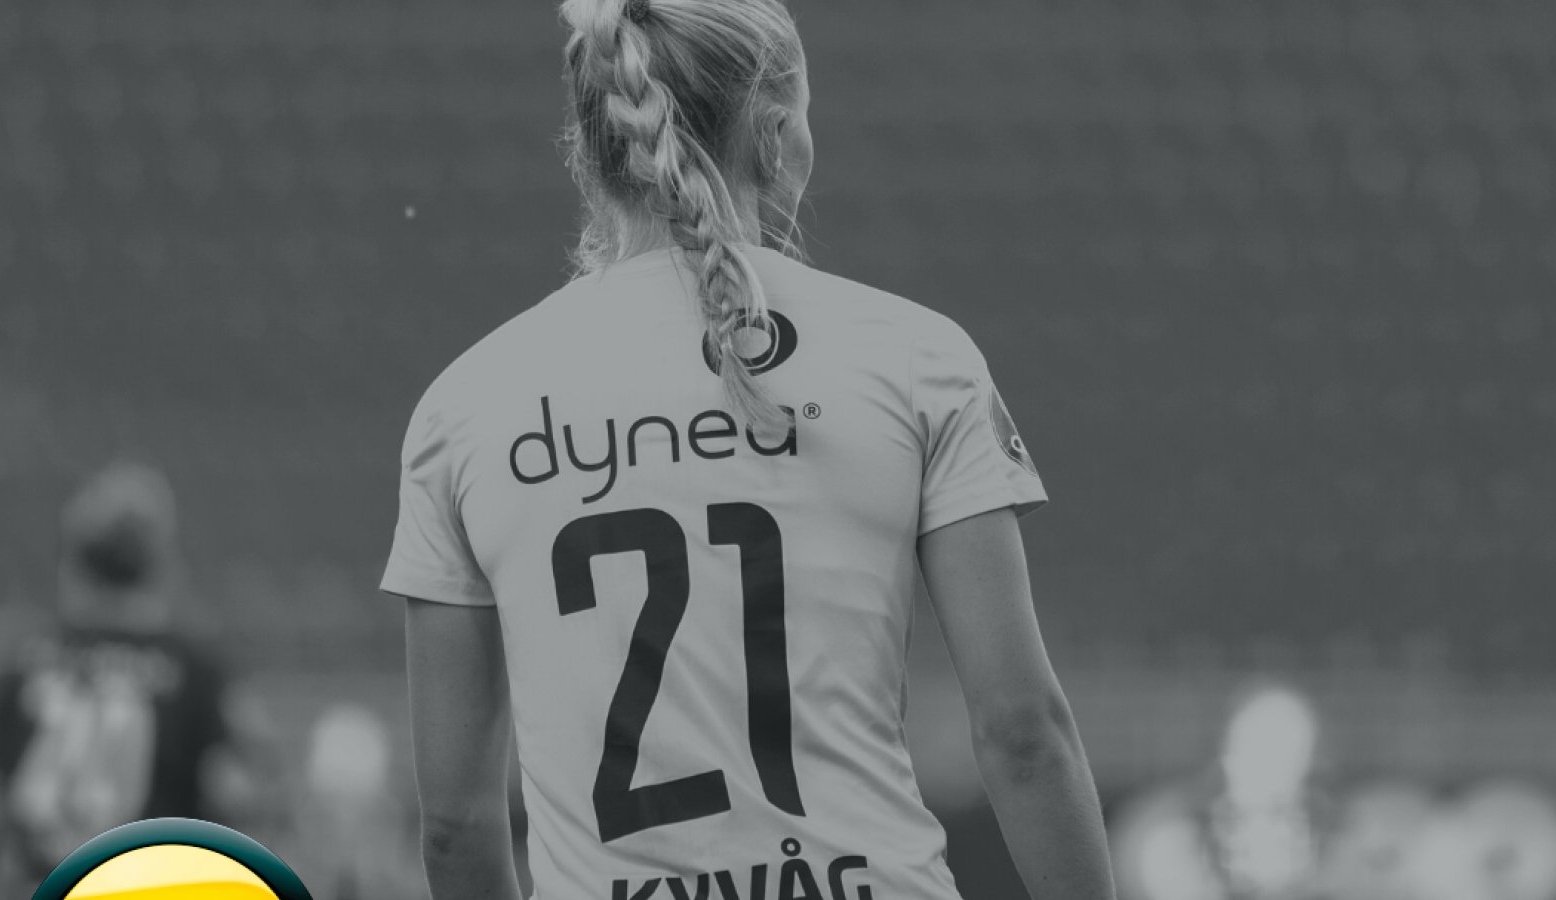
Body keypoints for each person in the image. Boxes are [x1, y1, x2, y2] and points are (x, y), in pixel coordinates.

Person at [382, 1, 1117, 898]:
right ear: (774, 136)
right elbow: (1022, 732)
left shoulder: (463, 407)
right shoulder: (916, 358)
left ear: (594, 146)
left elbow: (456, 826)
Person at [0, 462, 273, 894]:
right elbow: (240, 794)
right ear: (159, 562)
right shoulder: (195, 672)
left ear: (76, 560)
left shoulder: (20, 664)